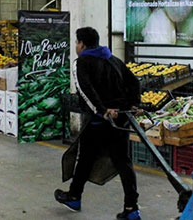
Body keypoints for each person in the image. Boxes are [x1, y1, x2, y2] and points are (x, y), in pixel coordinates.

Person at [56, 27, 142, 220]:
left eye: (77, 43)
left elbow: (85, 90)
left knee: (85, 158)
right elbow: (134, 82)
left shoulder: (82, 62)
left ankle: (74, 196)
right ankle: (132, 208)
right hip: (120, 119)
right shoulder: (113, 59)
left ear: (82, 44)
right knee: (123, 162)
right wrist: (135, 103)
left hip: (98, 122)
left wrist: (101, 111)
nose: (76, 46)